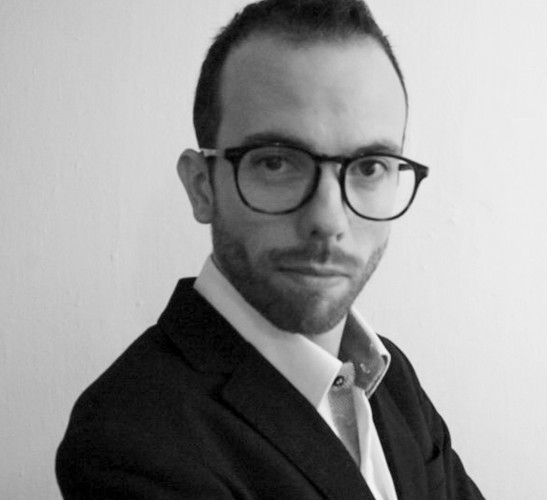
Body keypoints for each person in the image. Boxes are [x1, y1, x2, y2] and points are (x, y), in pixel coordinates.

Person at [56, 0, 485, 498]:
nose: (328, 220)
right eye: (277, 163)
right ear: (202, 186)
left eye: (370, 167)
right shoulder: (131, 440)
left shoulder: (392, 379)